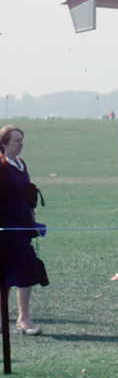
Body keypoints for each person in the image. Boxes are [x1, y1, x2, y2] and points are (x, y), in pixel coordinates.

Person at [0, 125, 44, 334]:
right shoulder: (1, 167)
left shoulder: (20, 164)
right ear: (4, 143)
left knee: (16, 271)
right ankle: (23, 320)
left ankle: (18, 319)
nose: (20, 144)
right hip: (6, 227)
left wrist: (33, 221)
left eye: (22, 140)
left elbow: (27, 195)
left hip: (23, 224)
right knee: (22, 268)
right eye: (16, 140)